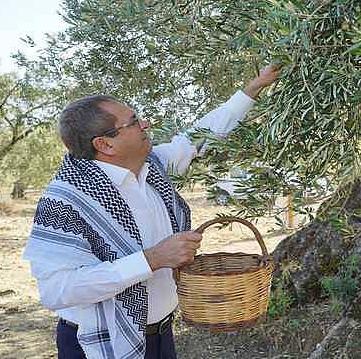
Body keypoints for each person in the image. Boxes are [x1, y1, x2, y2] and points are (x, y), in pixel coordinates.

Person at [23, 64, 280, 359]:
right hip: (100, 345)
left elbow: (197, 138)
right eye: (133, 123)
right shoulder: (66, 201)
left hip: (160, 338)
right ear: (105, 144)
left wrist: (252, 89)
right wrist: (152, 259)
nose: (145, 125)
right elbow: (57, 289)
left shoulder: (152, 167)